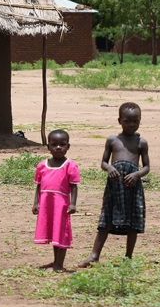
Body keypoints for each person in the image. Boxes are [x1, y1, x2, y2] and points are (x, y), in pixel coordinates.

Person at [78, 102, 150, 266]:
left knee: (132, 222)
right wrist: (109, 168)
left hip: (132, 186)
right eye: (127, 121)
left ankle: (128, 257)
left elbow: (146, 167)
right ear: (119, 121)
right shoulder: (113, 140)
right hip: (114, 185)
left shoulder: (141, 142)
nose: (131, 125)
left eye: (135, 121)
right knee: (106, 219)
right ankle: (94, 255)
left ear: (140, 121)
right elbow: (103, 162)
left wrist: (137, 174)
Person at [31, 129, 80, 272]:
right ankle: (55, 261)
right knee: (54, 232)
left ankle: (59, 265)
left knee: (61, 232)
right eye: (54, 145)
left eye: (62, 144)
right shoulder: (42, 165)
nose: (58, 147)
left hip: (61, 204)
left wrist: (73, 203)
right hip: (46, 203)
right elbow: (39, 185)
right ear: (48, 147)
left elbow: (74, 186)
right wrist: (36, 202)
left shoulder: (70, 165)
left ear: (68, 147)